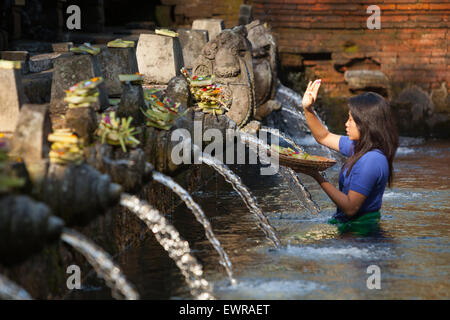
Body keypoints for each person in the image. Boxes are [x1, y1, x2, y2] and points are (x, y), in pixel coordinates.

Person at [297, 79, 399, 236]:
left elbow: (350, 208)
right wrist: (308, 108)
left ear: (366, 123)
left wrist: (317, 176)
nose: (346, 124)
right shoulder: (358, 147)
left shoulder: (371, 160)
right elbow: (323, 136)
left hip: (361, 233)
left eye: (351, 120)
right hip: (349, 226)